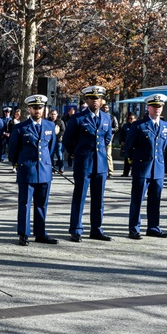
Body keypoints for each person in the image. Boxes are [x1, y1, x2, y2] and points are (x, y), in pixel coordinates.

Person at [62, 85, 113, 242]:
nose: (95, 101)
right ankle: (76, 229)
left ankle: (96, 229)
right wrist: (78, 153)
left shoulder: (106, 118)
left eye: (97, 98)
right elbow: (67, 141)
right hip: (84, 163)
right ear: (86, 100)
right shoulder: (78, 118)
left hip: (101, 164)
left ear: (101, 100)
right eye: (91, 98)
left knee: (99, 199)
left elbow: (107, 138)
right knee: (80, 196)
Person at [8, 94, 57, 246]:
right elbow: (13, 151)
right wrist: (18, 165)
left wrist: (48, 164)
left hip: (44, 170)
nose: (38, 110)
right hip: (27, 170)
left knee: (42, 204)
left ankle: (41, 233)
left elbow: (51, 147)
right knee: (25, 203)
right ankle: (23, 233)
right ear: (29, 109)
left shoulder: (49, 126)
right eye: (35, 108)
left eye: (40, 108)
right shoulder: (20, 128)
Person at [123, 94, 167, 239]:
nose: (157, 109)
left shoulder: (165, 125)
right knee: (137, 199)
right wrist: (134, 164)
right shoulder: (139, 125)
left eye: (160, 106)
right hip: (142, 168)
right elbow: (128, 148)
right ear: (148, 107)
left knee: (155, 199)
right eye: (154, 106)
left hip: (158, 168)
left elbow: (163, 147)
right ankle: (134, 228)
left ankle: (153, 227)